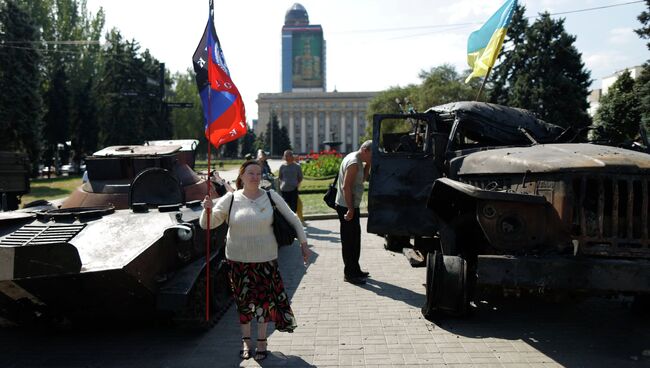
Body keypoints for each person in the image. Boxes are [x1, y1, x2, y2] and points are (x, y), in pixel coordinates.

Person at [200, 160, 310, 361]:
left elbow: (293, 218)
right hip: (237, 260)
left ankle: (261, 342)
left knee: (263, 304)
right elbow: (209, 224)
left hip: (265, 261)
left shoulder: (270, 196)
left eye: (259, 174)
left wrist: (303, 244)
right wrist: (206, 209)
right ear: (241, 176)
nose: (255, 177)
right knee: (243, 303)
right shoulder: (231, 198)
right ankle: (245, 340)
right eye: (251, 173)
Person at [335, 140, 372, 285]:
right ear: (365, 150)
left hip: (351, 205)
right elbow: (346, 187)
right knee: (349, 241)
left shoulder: (358, 160)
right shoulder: (353, 162)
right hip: (346, 206)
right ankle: (349, 274)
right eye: (372, 155)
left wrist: (368, 165)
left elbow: (361, 180)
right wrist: (350, 209)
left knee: (355, 238)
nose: (373, 158)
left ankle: (355, 269)